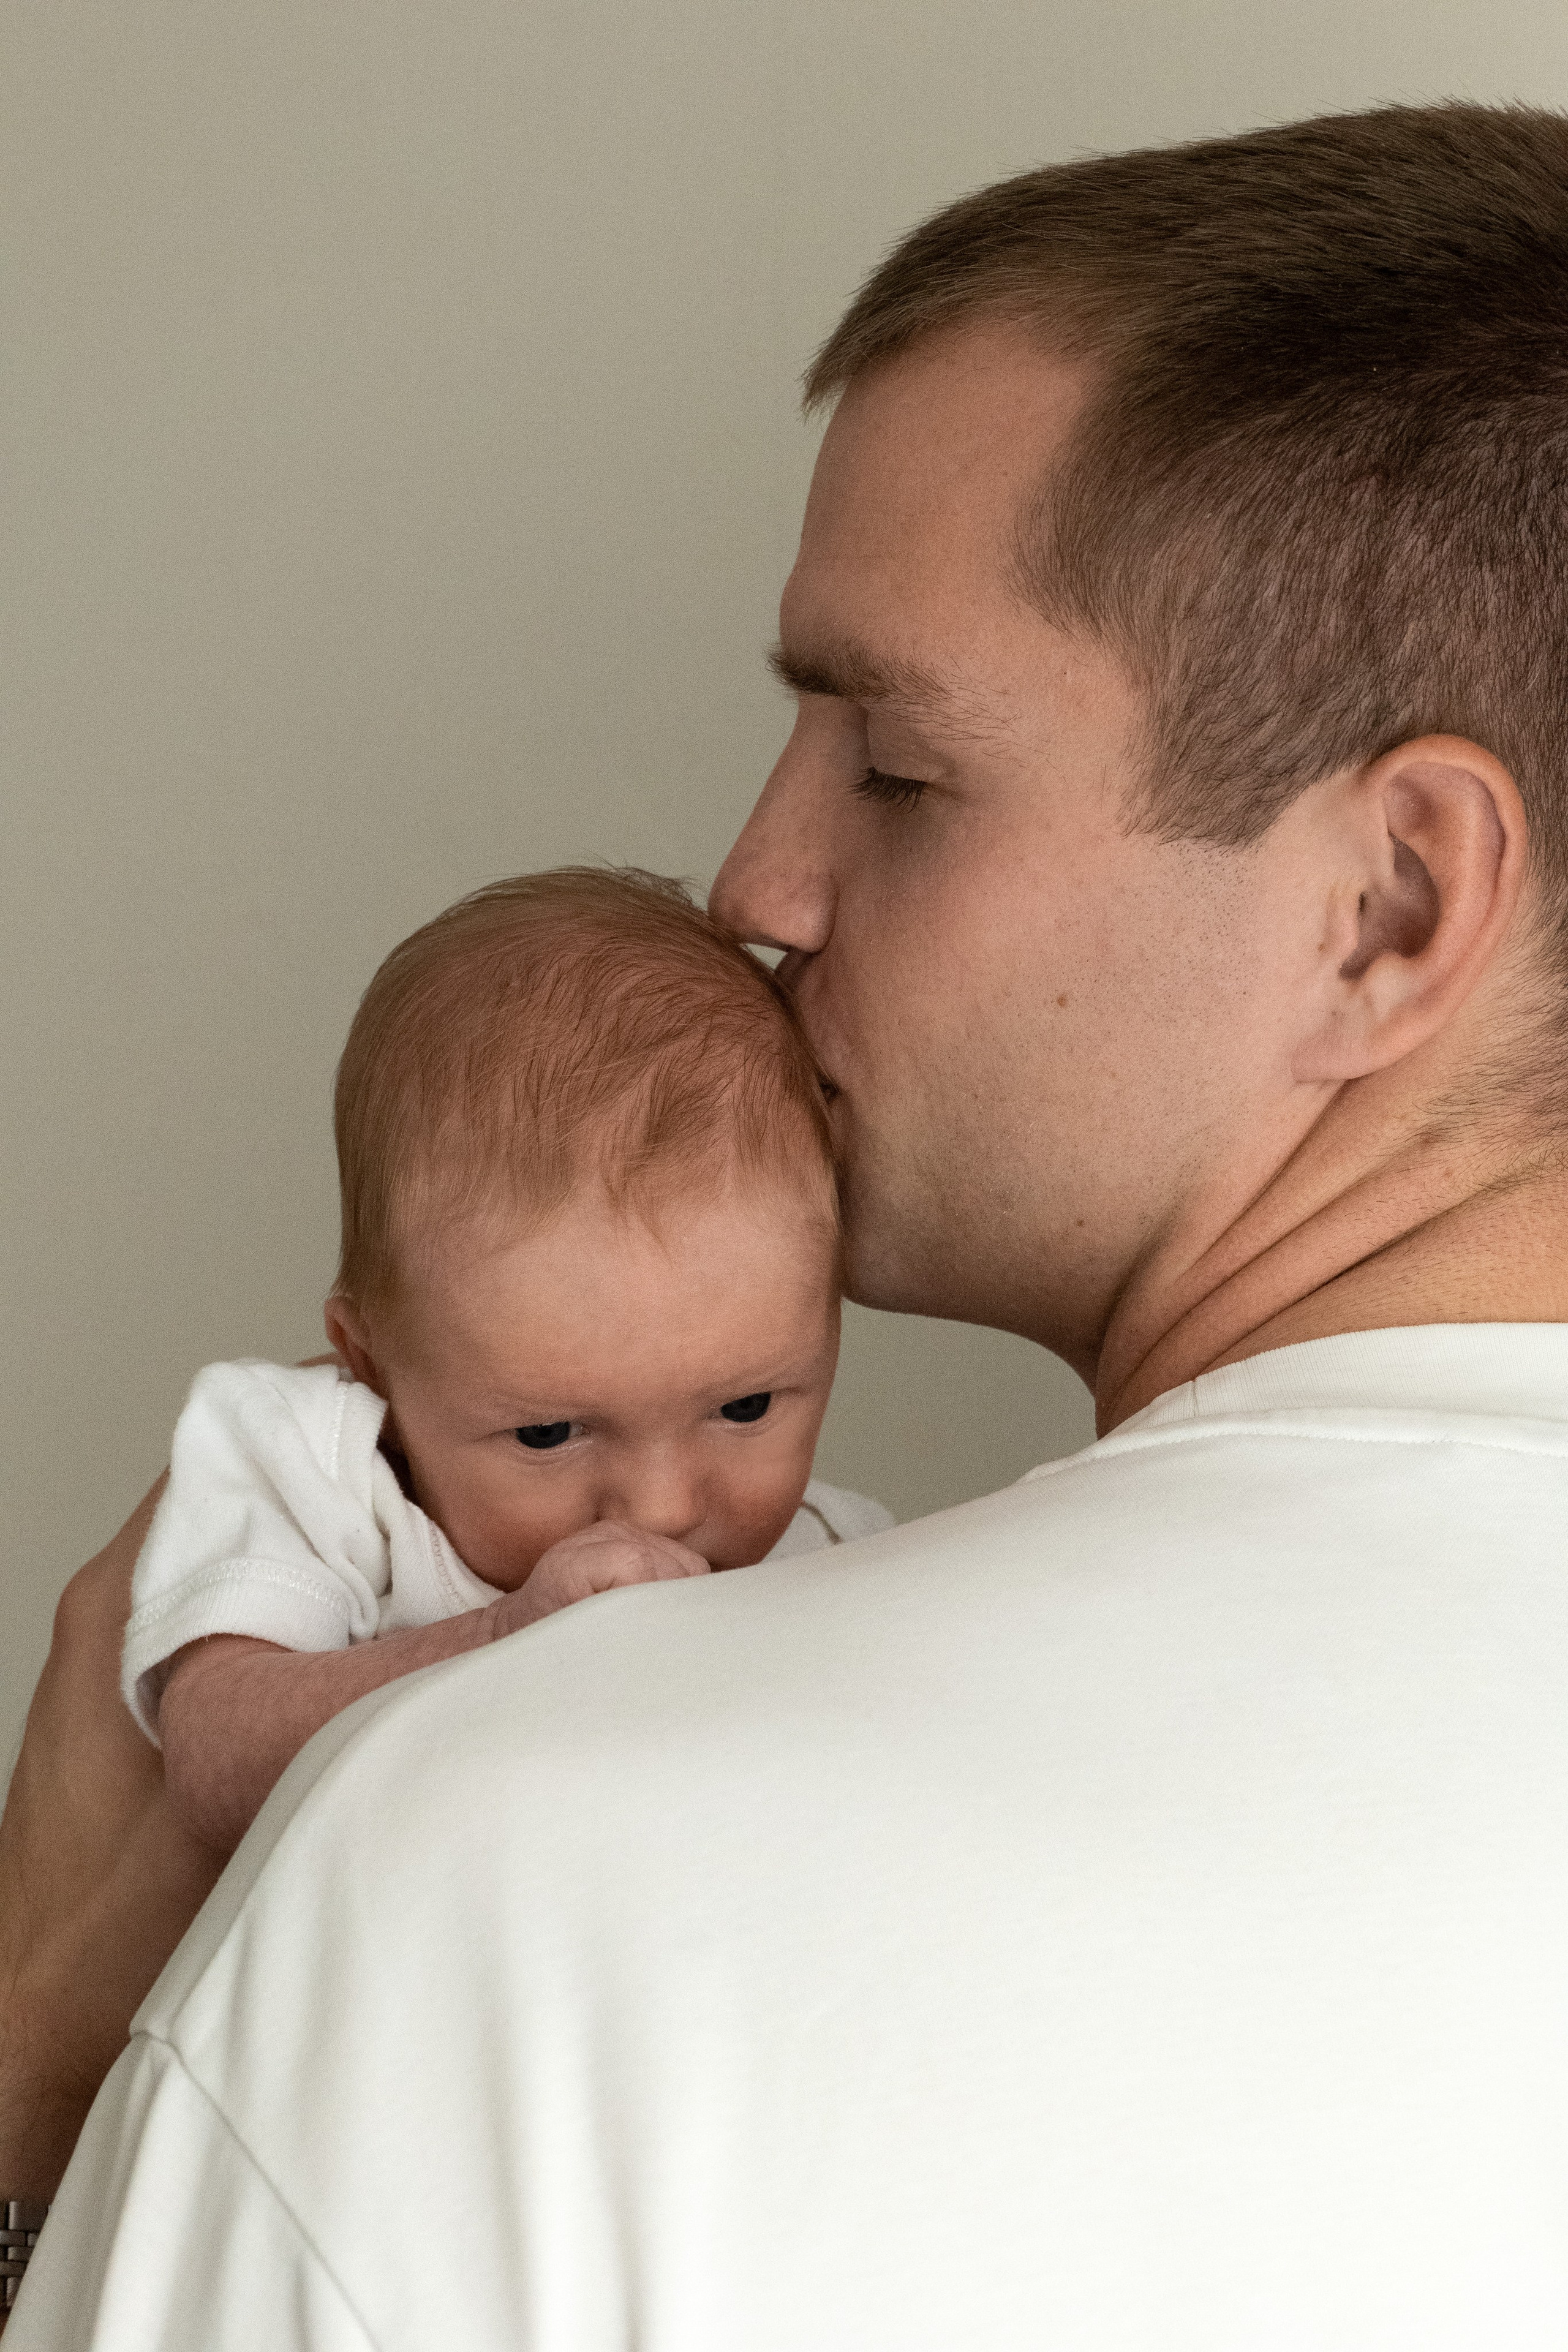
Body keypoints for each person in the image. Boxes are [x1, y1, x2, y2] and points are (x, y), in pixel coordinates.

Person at [8, 99, 1568, 2346]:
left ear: (1389, 906)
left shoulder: (512, 1866)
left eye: (899, 769)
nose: (755, 884)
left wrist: (34, 2085)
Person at [119, 866, 883, 1858]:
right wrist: (500, 1639)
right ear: (372, 1363)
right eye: (549, 1433)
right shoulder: (318, 1471)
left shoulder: (837, 1559)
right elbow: (215, 1761)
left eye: (744, 1409)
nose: (661, 1507)